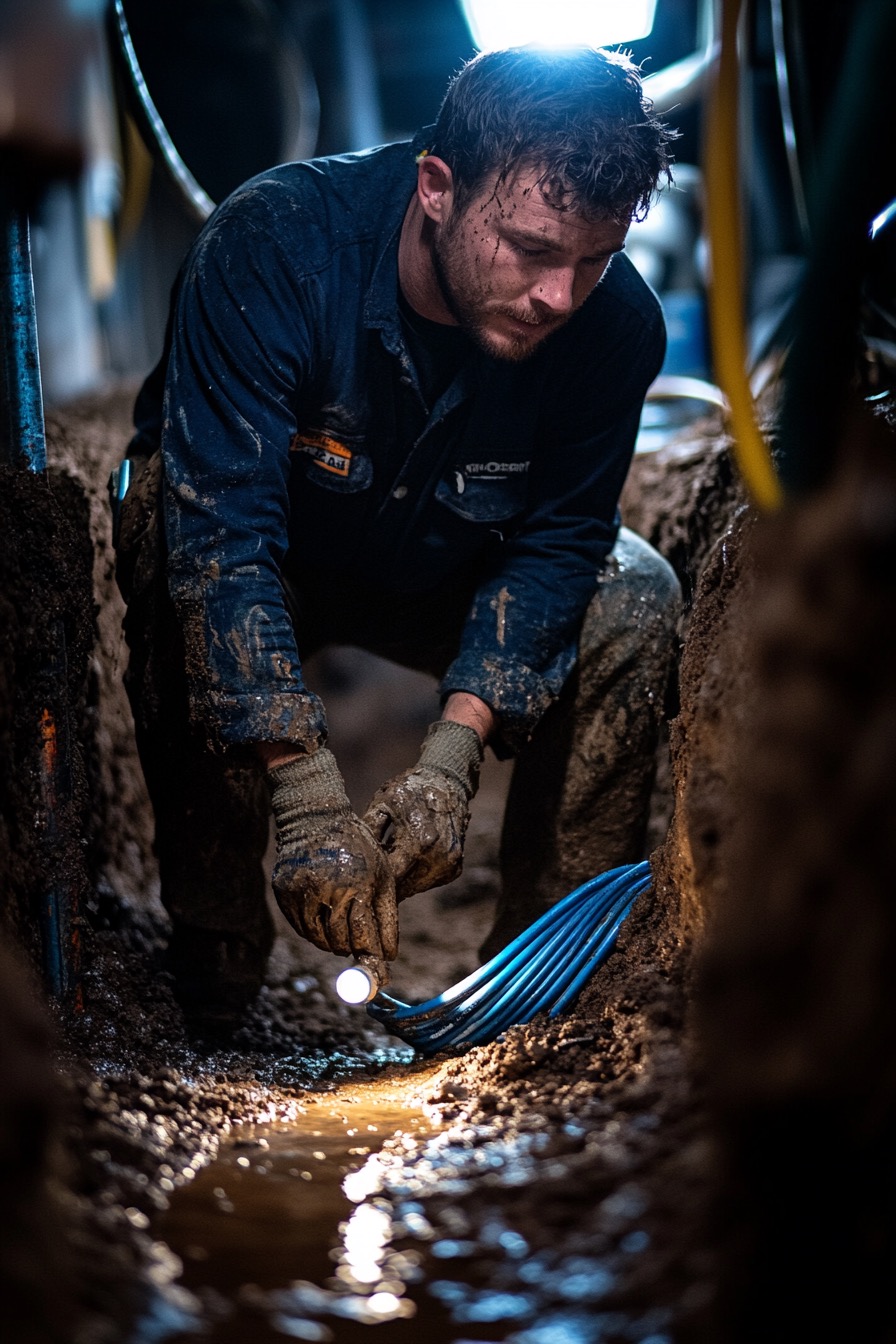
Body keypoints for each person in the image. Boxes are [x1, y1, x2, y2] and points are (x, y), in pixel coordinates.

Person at [114, 43, 682, 1026]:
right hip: (278, 559)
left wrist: (450, 759)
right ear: (436, 188)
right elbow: (221, 537)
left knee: (633, 596)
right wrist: (302, 787)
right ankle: (218, 963)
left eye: (591, 259)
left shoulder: (613, 327)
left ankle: (537, 994)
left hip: (449, 571)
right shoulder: (274, 246)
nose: (560, 294)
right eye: (532, 250)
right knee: (156, 518)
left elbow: (559, 541)